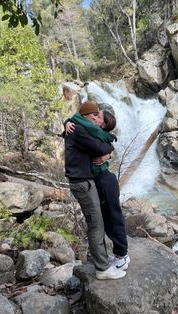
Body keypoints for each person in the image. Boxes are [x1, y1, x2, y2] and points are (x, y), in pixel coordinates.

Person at [64, 100, 126, 280]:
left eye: (99, 116)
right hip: (82, 181)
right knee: (96, 224)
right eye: (94, 115)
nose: (96, 118)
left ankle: (111, 259)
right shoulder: (78, 128)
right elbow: (99, 147)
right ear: (86, 116)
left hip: (87, 180)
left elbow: (99, 145)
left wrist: (109, 152)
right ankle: (103, 269)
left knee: (101, 221)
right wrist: (109, 149)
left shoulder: (80, 126)